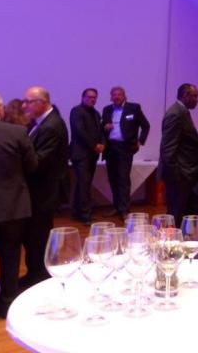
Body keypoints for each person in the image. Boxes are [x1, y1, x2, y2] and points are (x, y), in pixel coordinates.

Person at [0, 91, 37, 321]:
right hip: (12, 206)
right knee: (10, 256)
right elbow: (32, 166)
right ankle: (7, 304)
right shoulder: (17, 132)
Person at [20, 86, 69, 288]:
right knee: (35, 236)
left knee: (38, 236)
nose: (24, 106)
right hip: (40, 191)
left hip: (44, 192)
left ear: (42, 102)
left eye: (28, 102)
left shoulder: (51, 126)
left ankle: (38, 277)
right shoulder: (41, 123)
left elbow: (39, 161)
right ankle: (35, 273)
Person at [101, 86, 150, 219]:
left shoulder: (133, 108)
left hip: (125, 148)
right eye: (114, 94)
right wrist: (105, 127)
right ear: (111, 97)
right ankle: (117, 206)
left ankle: (124, 209)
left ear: (124, 96)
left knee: (123, 179)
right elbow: (102, 128)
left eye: (119, 94)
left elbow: (146, 125)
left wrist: (140, 141)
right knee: (113, 179)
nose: (116, 97)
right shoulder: (107, 109)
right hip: (110, 148)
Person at [158, 83, 198, 228]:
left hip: (186, 174)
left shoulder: (181, 112)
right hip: (180, 176)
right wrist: (176, 175)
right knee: (176, 215)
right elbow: (167, 149)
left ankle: (187, 239)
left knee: (189, 212)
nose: (197, 100)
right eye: (195, 96)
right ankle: (173, 241)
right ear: (185, 95)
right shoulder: (175, 114)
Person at [69, 88, 104, 225]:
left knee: (85, 183)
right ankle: (85, 214)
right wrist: (94, 145)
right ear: (83, 97)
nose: (92, 99)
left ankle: (77, 211)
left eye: (94, 97)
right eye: (89, 97)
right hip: (80, 154)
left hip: (92, 155)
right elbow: (80, 131)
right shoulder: (76, 111)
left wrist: (102, 144)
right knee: (84, 183)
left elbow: (101, 131)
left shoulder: (96, 113)